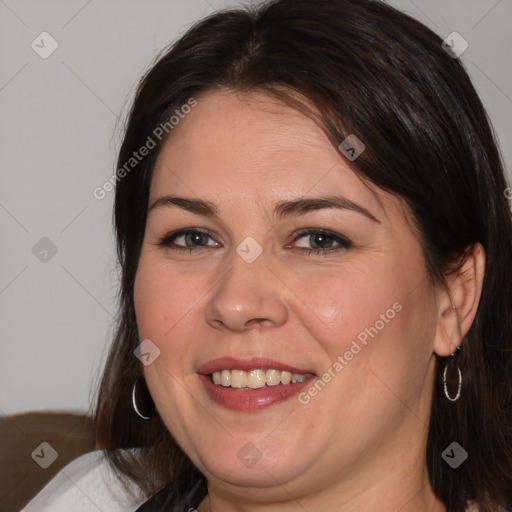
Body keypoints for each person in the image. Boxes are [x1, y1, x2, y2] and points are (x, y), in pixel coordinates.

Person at [21, 0, 512, 510]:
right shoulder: (82, 500)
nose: (235, 302)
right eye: (193, 237)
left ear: (454, 298)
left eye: (319, 239)